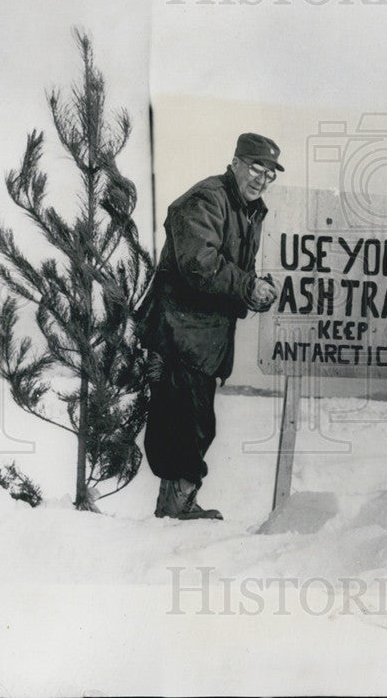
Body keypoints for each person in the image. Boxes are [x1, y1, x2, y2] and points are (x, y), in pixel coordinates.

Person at [136, 132, 281, 520]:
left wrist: (254, 292)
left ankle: (175, 505)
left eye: (269, 173)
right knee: (189, 424)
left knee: (191, 423)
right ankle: (177, 507)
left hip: (206, 338)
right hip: (180, 334)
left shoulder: (248, 210)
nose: (261, 179)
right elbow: (199, 263)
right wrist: (247, 285)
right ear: (235, 162)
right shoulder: (208, 198)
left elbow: (232, 270)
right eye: (255, 167)